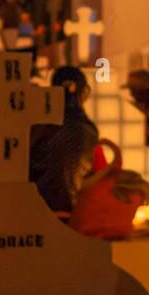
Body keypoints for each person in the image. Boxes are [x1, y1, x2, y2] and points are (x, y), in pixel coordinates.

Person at [28, 66, 101, 216]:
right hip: (73, 215)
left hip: (35, 212)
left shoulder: (39, 126)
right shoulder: (89, 130)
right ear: (84, 93)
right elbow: (99, 174)